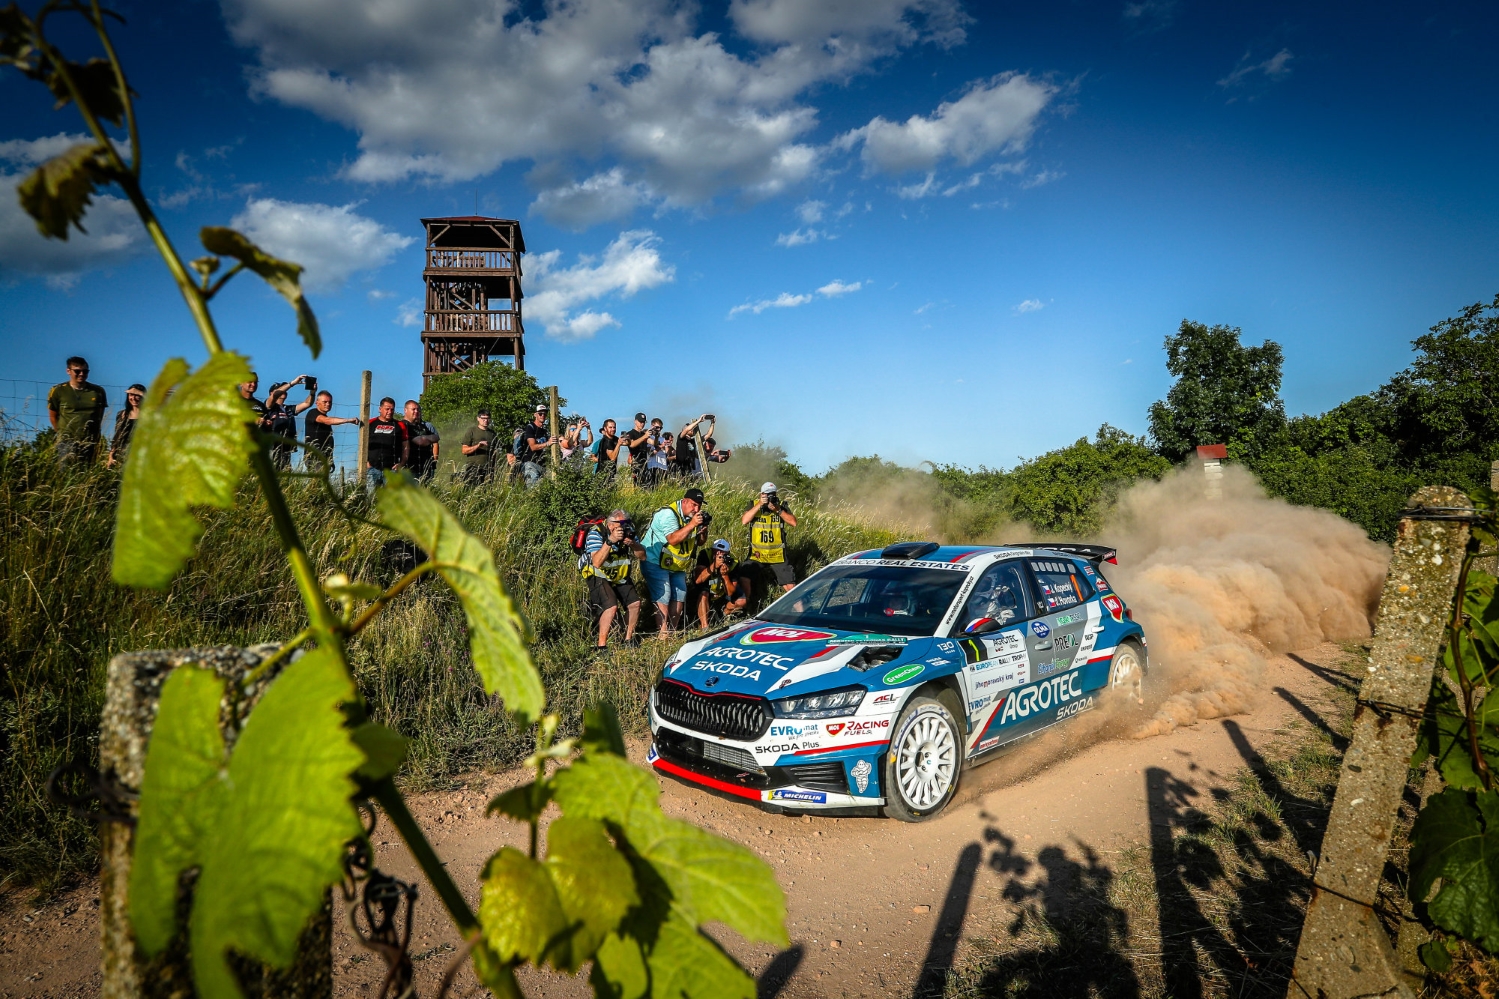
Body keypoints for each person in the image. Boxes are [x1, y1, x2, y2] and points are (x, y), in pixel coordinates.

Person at [643, 487, 707, 636]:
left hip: (676, 565)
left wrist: (703, 531)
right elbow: (672, 539)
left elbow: (700, 542)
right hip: (655, 560)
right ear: (684, 501)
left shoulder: (693, 517)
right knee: (663, 595)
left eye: (699, 506)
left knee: (679, 595)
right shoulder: (668, 514)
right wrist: (692, 525)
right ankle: (663, 634)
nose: (696, 509)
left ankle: (671, 632)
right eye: (693, 505)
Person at [579, 509, 646, 649]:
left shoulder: (628, 531)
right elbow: (596, 562)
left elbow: (643, 556)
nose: (625, 526)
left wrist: (632, 544)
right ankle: (601, 646)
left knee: (635, 603)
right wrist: (610, 541)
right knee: (610, 606)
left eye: (627, 522)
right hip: (597, 573)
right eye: (621, 523)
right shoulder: (596, 533)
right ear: (610, 524)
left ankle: (627, 640)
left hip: (618, 574)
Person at [48, 356, 108, 466]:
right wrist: (61, 434)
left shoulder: (98, 391)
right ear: (68, 371)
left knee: (87, 472)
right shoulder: (58, 390)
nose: (81, 374)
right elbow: (53, 416)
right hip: (67, 440)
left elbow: (99, 416)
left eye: (85, 371)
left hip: (90, 440)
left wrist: (95, 435)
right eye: (77, 371)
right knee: (66, 472)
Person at [742, 481, 799, 593]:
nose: (771, 497)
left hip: (777, 555)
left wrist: (778, 510)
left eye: (773, 494)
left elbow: (793, 523)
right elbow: (744, 521)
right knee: (744, 577)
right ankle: (746, 603)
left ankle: (797, 605)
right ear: (762, 494)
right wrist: (759, 504)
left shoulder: (781, 505)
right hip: (757, 554)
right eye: (768, 494)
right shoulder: (754, 504)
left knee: (790, 587)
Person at [689, 539, 752, 629]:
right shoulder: (705, 554)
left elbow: (730, 592)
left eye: (723, 554)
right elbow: (698, 580)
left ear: (728, 553)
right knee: (703, 594)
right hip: (706, 586)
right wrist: (713, 566)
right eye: (716, 553)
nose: (719, 556)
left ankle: (722, 615)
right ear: (712, 551)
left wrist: (725, 575)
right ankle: (705, 627)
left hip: (721, 590)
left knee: (742, 601)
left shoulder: (733, 562)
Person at [264, 376, 315, 470]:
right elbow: (274, 396)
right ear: (271, 393)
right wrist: (292, 383)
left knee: (284, 474)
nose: (284, 391)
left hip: (286, 448)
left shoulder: (288, 409)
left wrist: (312, 392)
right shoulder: (269, 406)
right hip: (272, 447)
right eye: (280, 389)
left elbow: (307, 404)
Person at [304, 390, 360, 471]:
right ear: (317, 402)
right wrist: (348, 420)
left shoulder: (325, 417)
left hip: (324, 457)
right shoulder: (313, 413)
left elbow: (329, 440)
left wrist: (330, 458)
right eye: (325, 402)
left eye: (330, 402)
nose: (328, 404)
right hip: (314, 457)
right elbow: (327, 420)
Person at [365, 396, 409, 493]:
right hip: (372, 467)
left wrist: (402, 463)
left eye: (392, 409)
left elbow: (405, 446)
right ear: (380, 409)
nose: (390, 412)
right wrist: (367, 463)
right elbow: (363, 444)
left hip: (392, 469)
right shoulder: (370, 423)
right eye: (387, 409)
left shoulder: (400, 425)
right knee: (371, 496)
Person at [106, 382, 146, 468]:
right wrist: (111, 456)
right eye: (131, 395)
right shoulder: (122, 415)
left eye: (137, 395)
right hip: (122, 456)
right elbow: (117, 437)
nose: (133, 398)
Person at [516, 404, 558, 485]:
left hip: (543, 465)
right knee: (533, 488)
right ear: (535, 414)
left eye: (545, 414)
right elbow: (533, 447)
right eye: (540, 414)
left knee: (550, 485)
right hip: (530, 463)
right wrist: (548, 443)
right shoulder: (530, 427)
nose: (543, 415)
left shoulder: (545, 431)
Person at [402, 400, 440, 482]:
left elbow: (436, 438)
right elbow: (420, 442)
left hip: (426, 467)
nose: (416, 411)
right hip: (410, 467)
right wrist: (427, 439)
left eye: (418, 409)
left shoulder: (425, 426)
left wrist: (424, 438)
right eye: (413, 409)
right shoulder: (402, 425)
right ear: (405, 410)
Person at [459, 408, 498, 483]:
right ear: (478, 418)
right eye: (483, 418)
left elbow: (495, 452)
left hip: (489, 469)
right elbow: (464, 450)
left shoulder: (492, 433)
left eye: (488, 418)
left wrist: (494, 467)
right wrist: (478, 446)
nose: (486, 420)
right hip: (473, 467)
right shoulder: (472, 431)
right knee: (471, 487)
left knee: (487, 488)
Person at [675, 414, 713, 478]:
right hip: (681, 466)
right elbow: (686, 430)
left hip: (690, 468)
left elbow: (708, 435)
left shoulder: (693, 441)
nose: (693, 430)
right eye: (691, 429)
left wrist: (712, 423)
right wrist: (699, 421)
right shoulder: (681, 438)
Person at [622, 412, 652, 484]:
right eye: (640, 422)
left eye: (643, 422)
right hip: (636, 464)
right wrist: (644, 437)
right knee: (637, 484)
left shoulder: (643, 434)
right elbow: (632, 444)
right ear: (635, 421)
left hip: (645, 464)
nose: (642, 424)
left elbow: (654, 443)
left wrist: (656, 435)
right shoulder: (630, 433)